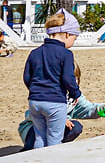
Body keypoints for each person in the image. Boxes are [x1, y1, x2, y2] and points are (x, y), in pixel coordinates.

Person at [19, 62, 105, 152]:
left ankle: (58, 146)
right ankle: (28, 150)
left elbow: (87, 109)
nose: (71, 82)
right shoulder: (47, 94)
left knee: (76, 127)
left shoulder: (74, 97)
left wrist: (101, 108)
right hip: (35, 128)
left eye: (75, 79)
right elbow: (35, 113)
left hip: (57, 130)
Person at [22, 9, 83, 149]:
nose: (74, 41)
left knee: (40, 136)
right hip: (55, 102)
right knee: (54, 139)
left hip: (35, 101)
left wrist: (36, 91)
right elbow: (68, 79)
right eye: (74, 37)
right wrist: (75, 93)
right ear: (67, 34)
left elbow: (27, 77)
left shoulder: (35, 53)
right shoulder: (66, 54)